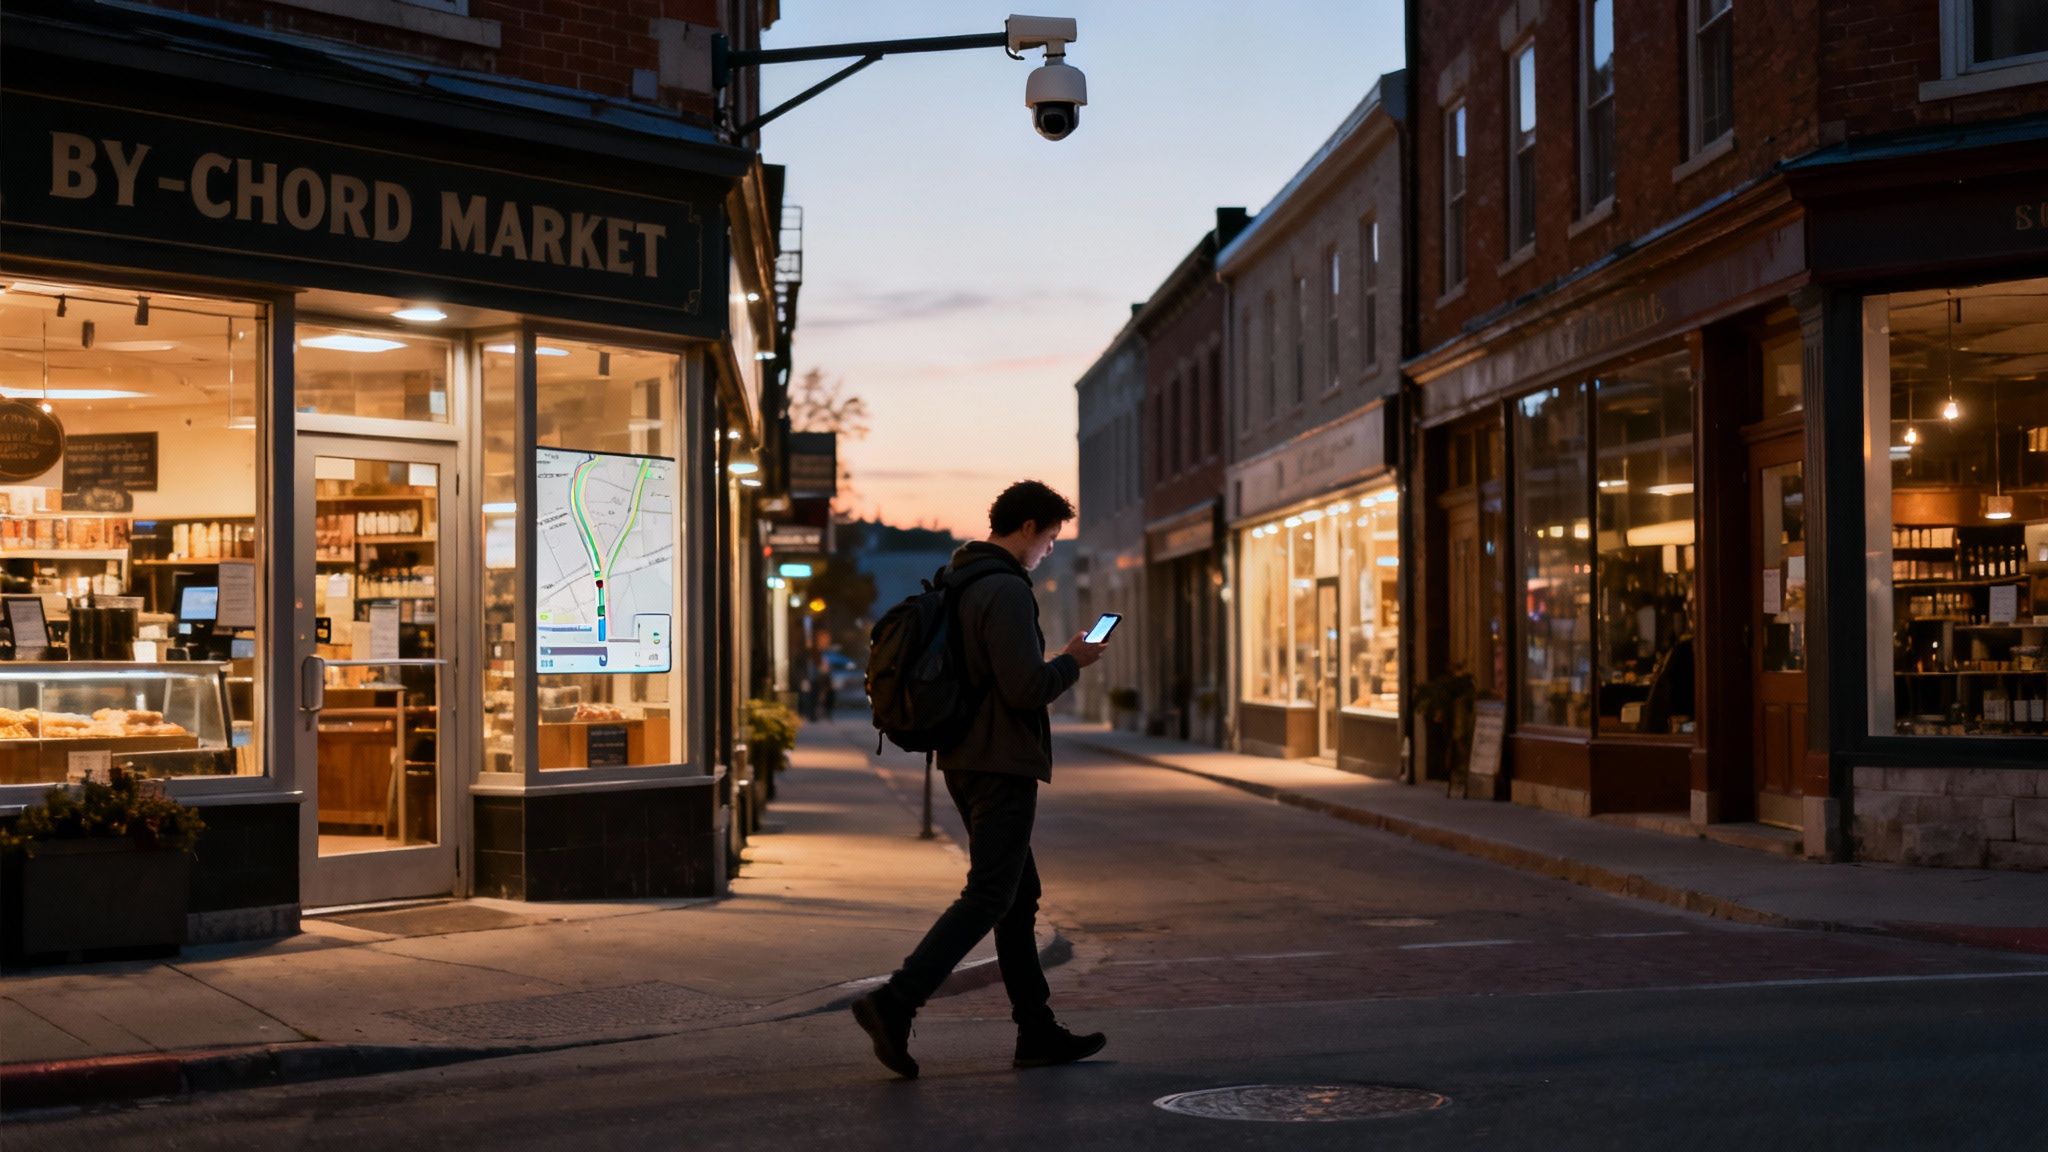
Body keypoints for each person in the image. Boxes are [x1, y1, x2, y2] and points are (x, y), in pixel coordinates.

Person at [851, 480, 1107, 1079]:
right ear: (1026, 529)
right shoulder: (1005, 590)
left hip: (966, 758)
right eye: (1048, 538)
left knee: (1017, 898)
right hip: (1000, 761)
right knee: (992, 893)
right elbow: (1025, 688)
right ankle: (895, 1000)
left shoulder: (959, 578)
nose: (1048, 551)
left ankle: (1036, 1031)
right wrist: (1073, 659)